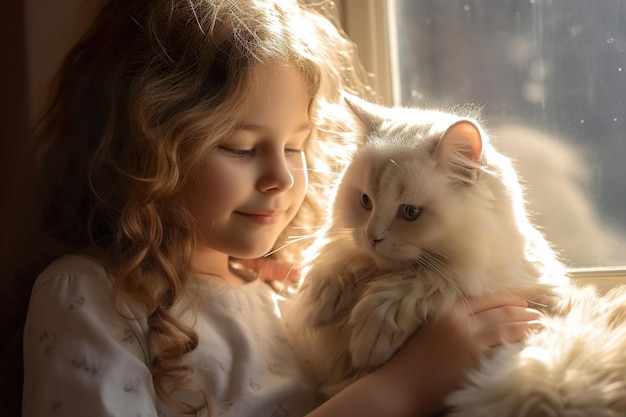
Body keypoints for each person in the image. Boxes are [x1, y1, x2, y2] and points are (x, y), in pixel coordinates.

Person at [20, 0, 543, 416]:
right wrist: (402, 388)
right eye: (241, 149)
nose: (282, 177)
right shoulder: (86, 297)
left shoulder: (276, 293)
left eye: (295, 147)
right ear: (142, 147)